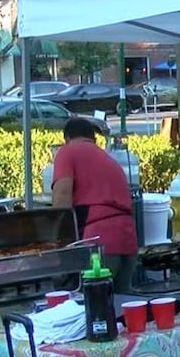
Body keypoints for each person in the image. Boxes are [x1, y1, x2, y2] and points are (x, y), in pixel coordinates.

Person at [51, 118, 138, 292]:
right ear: (93, 139)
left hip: (98, 246)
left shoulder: (67, 152)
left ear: (67, 138)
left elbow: (62, 200)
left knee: (92, 303)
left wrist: (58, 246)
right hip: (128, 242)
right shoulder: (109, 160)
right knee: (121, 303)